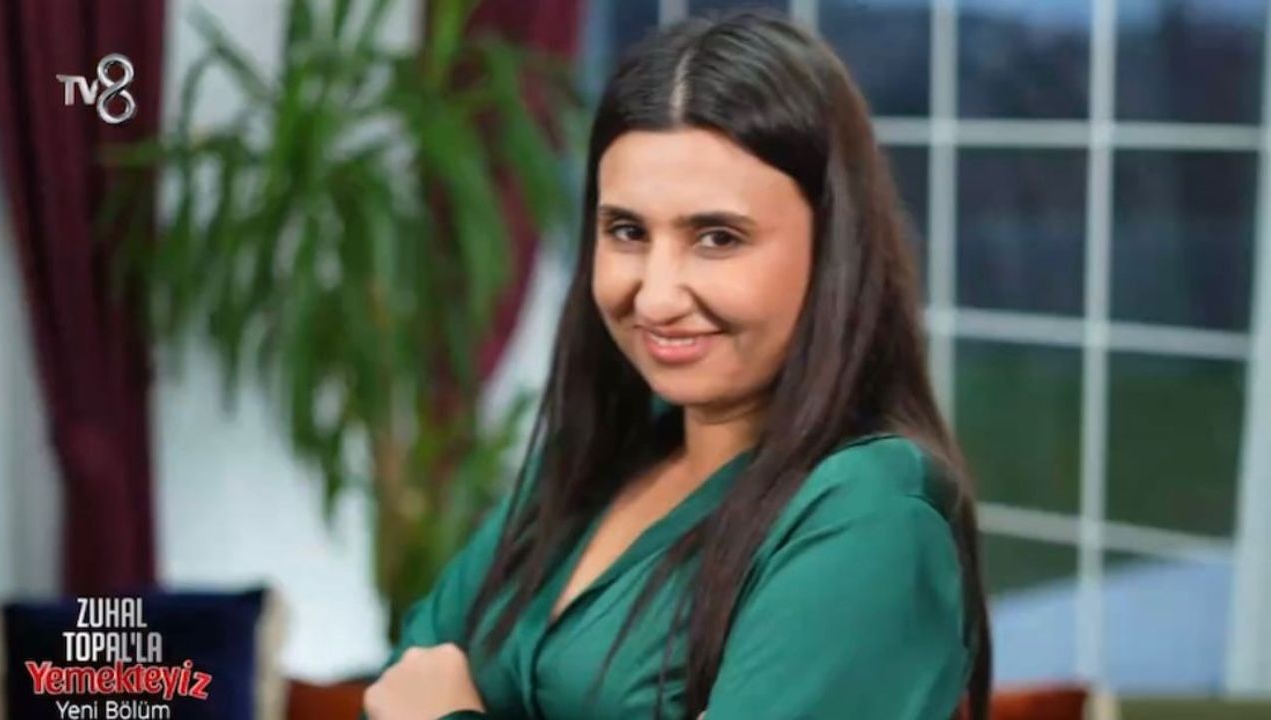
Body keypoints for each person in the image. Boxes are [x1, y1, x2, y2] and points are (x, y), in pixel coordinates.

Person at [364, 9, 992, 720]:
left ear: (833, 250)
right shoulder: (594, 461)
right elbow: (401, 680)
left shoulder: (869, 518)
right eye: (627, 230)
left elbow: (418, 701)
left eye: (718, 237)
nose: (656, 297)